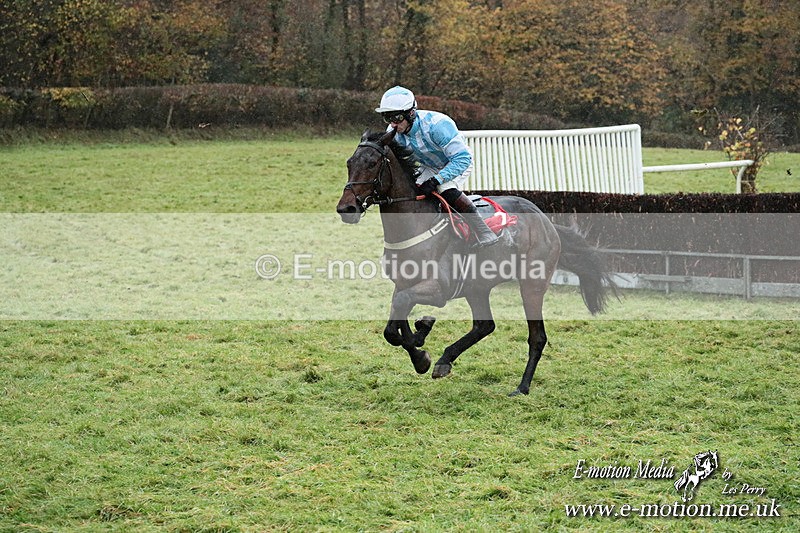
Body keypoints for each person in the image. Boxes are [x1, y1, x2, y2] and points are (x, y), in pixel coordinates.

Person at [375, 86, 499, 247]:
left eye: (397, 118)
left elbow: (462, 159)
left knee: (444, 188)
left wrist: (436, 180)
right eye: (387, 118)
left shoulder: (438, 125)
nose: (392, 124)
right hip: (428, 166)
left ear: (411, 113)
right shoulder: (393, 130)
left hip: (456, 162)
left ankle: (483, 231)